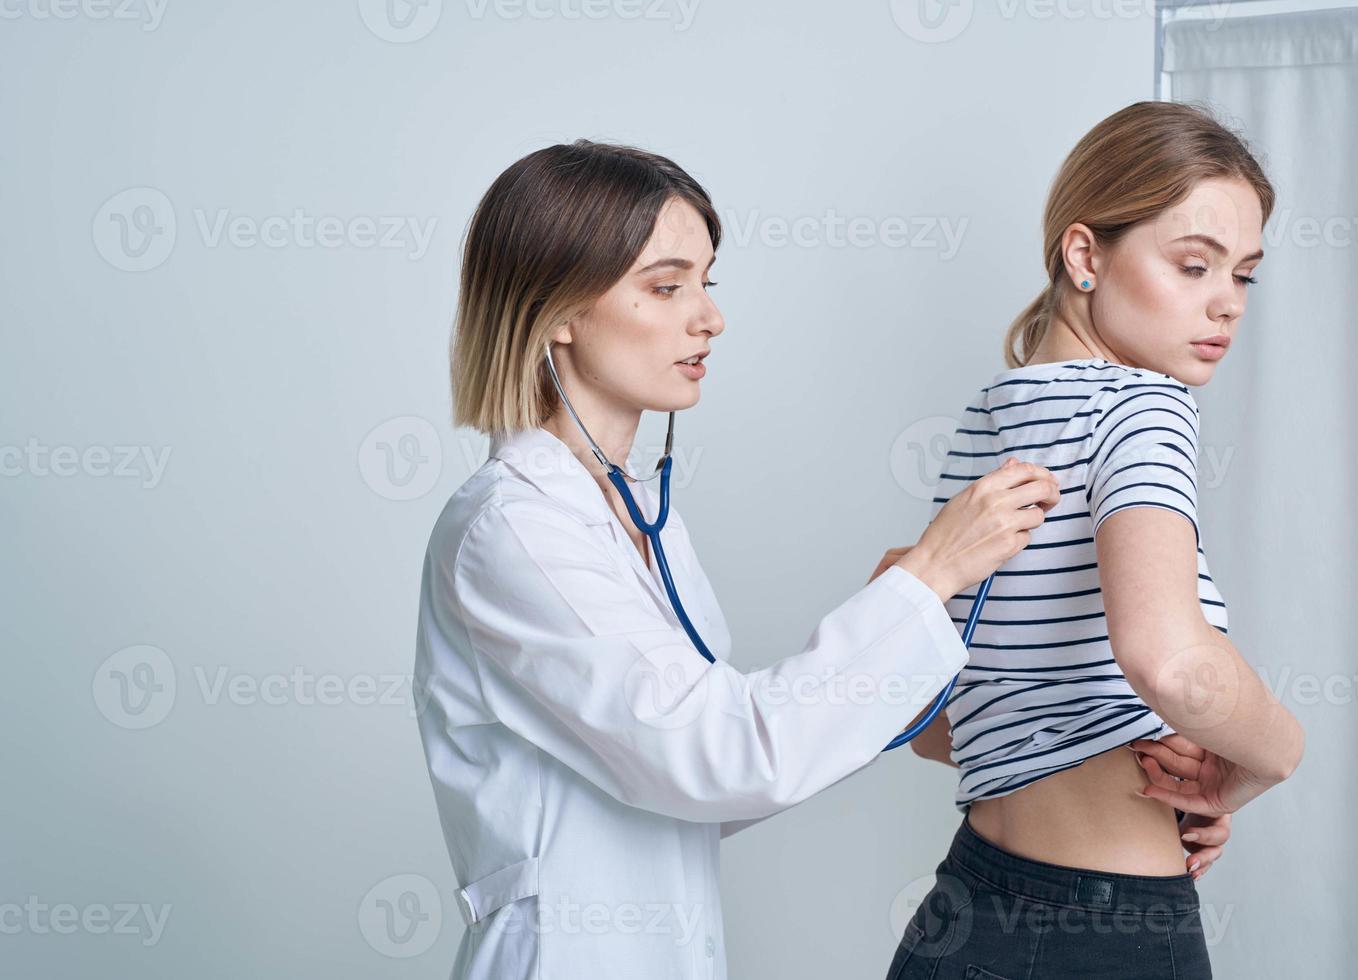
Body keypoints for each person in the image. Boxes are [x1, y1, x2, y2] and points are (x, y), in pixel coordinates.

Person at [413, 139, 1063, 980]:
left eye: (706, 283)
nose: (708, 317)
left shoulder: (638, 513)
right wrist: (922, 581)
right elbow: (719, 758)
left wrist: (885, 636)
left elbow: (703, 778)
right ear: (558, 310)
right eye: (666, 285)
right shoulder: (510, 530)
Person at [886, 102, 1306, 980]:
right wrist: (1262, 759)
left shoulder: (989, 420)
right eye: (1193, 265)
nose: (1224, 304)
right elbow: (1167, 659)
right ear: (1084, 255)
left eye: (1244, 275)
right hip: (1103, 928)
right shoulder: (1144, 409)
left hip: (962, 910)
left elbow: (935, 725)